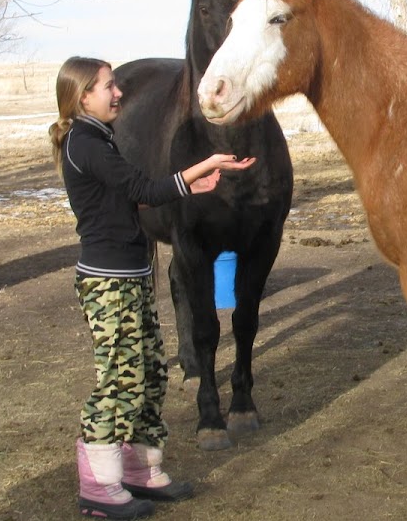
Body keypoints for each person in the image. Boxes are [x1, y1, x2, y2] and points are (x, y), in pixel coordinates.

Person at [48, 56, 256, 519]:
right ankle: (99, 485)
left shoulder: (99, 136)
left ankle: (142, 469)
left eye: (116, 85)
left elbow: (131, 194)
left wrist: (192, 190)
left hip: (131, 276)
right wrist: (203, 167)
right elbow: (138, 183)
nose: (118, 92)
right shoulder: (85, 142)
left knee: (149, 373)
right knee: (119, 378)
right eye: (107, 86)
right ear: (83, 97)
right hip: (107, 282)